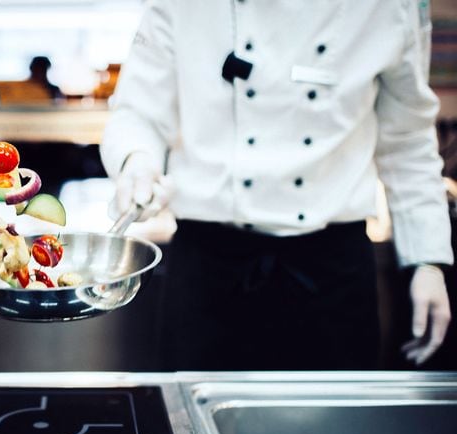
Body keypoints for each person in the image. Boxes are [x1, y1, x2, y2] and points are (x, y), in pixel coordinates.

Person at [101, 0, 452, 370]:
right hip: (208, 272)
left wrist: (427, 261)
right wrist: (136, 160)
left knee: (336, 408)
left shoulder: (389, 7)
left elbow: (408, 139)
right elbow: (138, 112)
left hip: (333, 275)